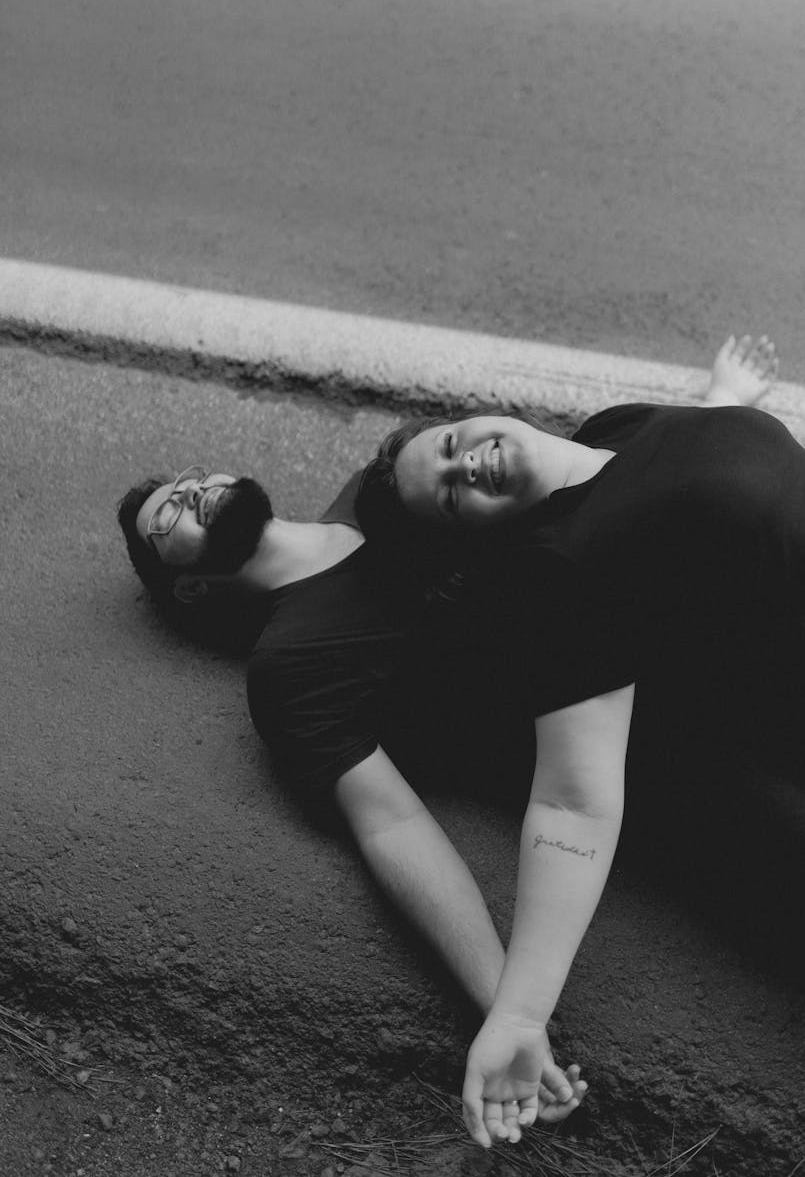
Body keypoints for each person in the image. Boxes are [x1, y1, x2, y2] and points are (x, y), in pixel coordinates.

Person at [355, 335, 805, 1148]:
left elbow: (682, 473)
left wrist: (722, 397)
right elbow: (573, 801)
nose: (467, 465)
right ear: (469, 540)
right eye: (450, 496)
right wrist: (519, 1013)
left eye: (448, 445)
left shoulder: (612, 431)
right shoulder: (559, 578)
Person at [117, 463, 587, 1137]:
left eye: (192, 477)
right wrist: (510, 1012)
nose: (192, 492)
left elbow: (544, 482)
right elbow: (393, 824)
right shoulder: (290, 669)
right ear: (189, 587)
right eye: (168, 518)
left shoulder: (386, 489)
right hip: (614, 747)